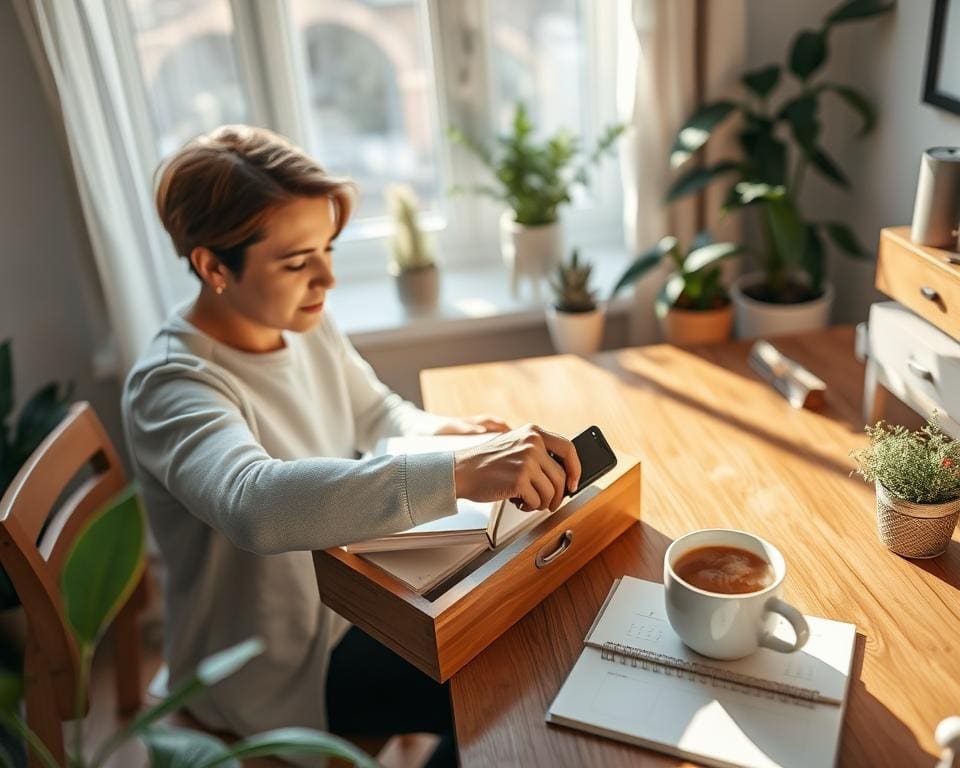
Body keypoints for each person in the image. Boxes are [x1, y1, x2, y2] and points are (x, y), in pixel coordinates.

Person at [122, 124, 581, 767]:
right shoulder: (171, 385)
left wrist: (456, 436)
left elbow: (375, 412)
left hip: (361, 595)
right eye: (296, 261)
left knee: (528, 634)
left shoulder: (296, 317)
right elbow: (255, 504)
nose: (327, 279)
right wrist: (457, 471)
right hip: (281, 663)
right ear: (211, 266)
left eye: (328, 249)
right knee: (512, 686)